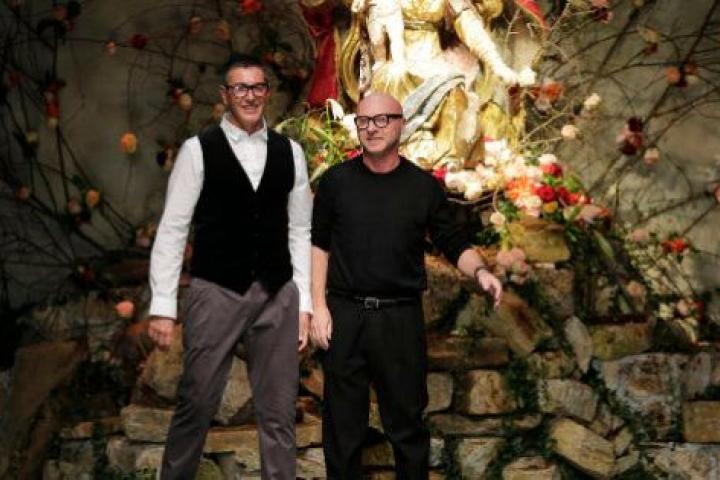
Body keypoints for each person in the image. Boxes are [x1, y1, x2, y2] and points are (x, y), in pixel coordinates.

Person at [309, 92, 503, 479]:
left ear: (401, 124)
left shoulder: (422, 187)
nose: (372, 128)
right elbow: (319, 245)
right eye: (364, 121)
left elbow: (452, 241)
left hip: (399, 318)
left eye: (382, 119)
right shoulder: (335, 182)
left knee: (408, 429)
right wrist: (319, 306)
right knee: (342, 431)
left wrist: (481, 272)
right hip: (345, 315)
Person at [147, 57, 312, 480]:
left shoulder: (291, 152)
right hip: (216, 289)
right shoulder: (197, 150)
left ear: (267, 93)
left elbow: (300, 230)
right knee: (197, 402)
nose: (250, 96)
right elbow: (173, 228)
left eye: (257, 87)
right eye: (240, 88)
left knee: (279, 412)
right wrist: (163, 305)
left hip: (277, 292)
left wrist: (304, 302)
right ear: (225, 95)